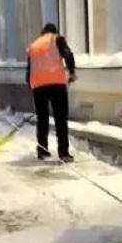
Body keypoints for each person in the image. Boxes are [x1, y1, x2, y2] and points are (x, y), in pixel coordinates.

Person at [25, 23, 77, 162]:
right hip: (56, 84)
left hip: (38, 86)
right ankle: (63, 152)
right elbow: (68, 55)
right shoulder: (56, 39)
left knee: (42, 119)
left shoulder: (34, 45)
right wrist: (71, 72)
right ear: (54, 32)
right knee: (60, 118)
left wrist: (31, 85)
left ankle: (42, 150)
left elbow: (29, 69)